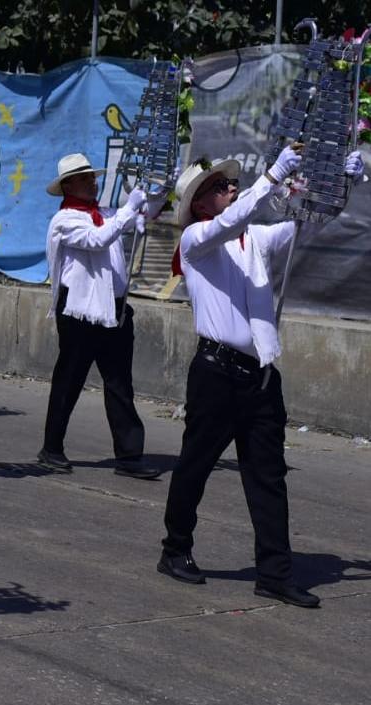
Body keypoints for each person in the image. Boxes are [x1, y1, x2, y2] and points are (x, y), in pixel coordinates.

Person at [156, 147, 365, 609]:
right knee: (195, 465)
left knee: (268, 477)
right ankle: (175, 548)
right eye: (220, 187)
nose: (231, 189)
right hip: (215, 373)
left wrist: (342, 187)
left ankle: (275, 572)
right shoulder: (196, 240)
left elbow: (308, 224)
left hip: (259, 376)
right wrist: (271, 176)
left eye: (233, 185)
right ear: (200, 204)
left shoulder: (255, 239)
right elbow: (236, 217)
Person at [37, 153, 158, 479]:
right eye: (85, 178)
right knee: (69, 380)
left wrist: (154, 193)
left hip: (113, 309)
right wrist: (128, 211)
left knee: (119, 383)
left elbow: (139, 216)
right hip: (79, 312)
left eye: (92, 176)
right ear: (68, 185)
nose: (94, 181)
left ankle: (130, 455)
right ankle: (51, 447)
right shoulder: (65, 221)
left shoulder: (103, 213)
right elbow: (97, 240)